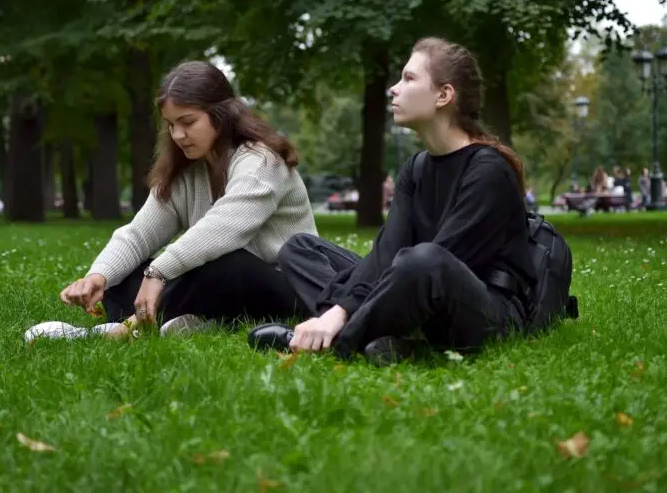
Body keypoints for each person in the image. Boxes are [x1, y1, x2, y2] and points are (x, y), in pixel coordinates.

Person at [271, 37, 537, 363]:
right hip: (413, 279)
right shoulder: (417, 167)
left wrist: (343, 314)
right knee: (300, 248)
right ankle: (368, 332)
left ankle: (338, 341)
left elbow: (439, 262)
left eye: (409, 79)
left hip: (483, 307)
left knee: (422, 261)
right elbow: (387, 252)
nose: (394, 89)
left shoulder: (489, 171)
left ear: (444, 95)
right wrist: (340, 308)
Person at [26, 60, 317, 342]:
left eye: (188, 122)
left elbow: (222, 229)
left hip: (286, 286)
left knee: (227, 264)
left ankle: (124, 329)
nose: (178, 135)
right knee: (127, 274)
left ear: (221, 114)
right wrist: (98, 277)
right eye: (171, 125)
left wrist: (159, 273)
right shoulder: (187, 170)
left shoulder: (261, 162)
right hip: (218, 285)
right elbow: (139, 234)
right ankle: (197, 321)